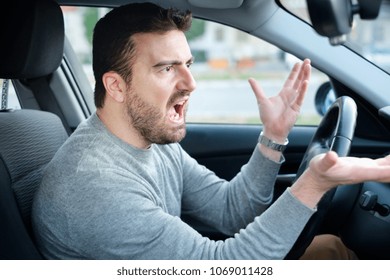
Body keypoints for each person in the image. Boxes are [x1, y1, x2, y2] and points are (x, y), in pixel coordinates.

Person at [32, 2, 390, 260]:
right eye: (166, 69)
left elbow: (230, 211)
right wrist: (314, 184)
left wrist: (273, 136)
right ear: (116, 86)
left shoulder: (151, 136)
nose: (191, 83)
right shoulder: (96, 187)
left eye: (187, 64)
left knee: (330, 249)